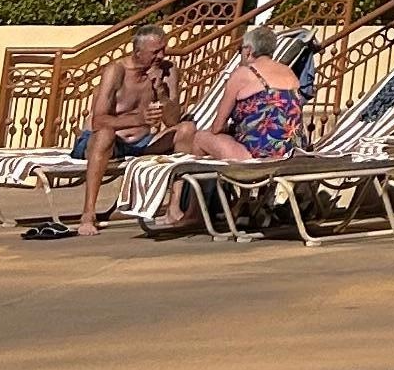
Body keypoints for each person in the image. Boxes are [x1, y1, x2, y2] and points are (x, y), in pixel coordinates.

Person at [146, 34, 308, 228]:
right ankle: (244, 205)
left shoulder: (244, 74)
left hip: (258, 157)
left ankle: (194, 213)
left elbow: (217, 125)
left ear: (248, 51)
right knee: (244, 139)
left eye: (241, 50)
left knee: (200, 138)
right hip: (293, 152)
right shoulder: (289, 72)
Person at [70, 26, 181, 235]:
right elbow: (98, 121)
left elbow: (173, 121)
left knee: (186, 131)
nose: (161, 56)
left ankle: (173, 209)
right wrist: (139, 119)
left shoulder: (168, 71)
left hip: (143, 142)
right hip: (108, 142)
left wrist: (160, 92)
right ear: (137, 52)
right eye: (155, 52)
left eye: (163, 49)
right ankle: (88, 214)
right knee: (105, 134)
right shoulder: (116, 71)